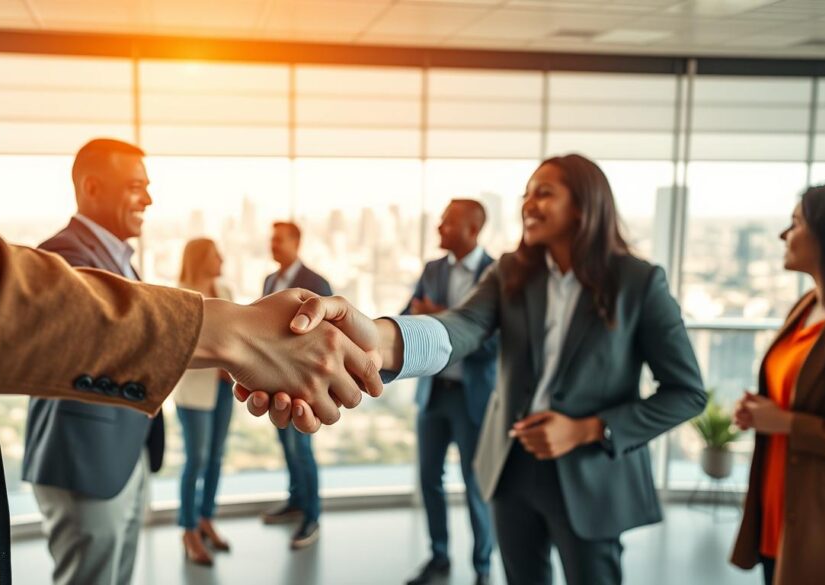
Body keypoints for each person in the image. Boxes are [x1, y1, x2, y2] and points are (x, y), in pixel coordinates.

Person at [0, 4, 379, 584]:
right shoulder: (50, 259)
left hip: (114, 464)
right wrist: (235, 333)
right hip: (83, 471)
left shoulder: (122, 259)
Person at [244, 154, 707, 585]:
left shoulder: (639, 283)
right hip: (513, 467)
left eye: (544, 192)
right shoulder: (511, 272)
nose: (530, 202)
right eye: (527, 192)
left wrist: (589, 430)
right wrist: (370, 343)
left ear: (585, 205)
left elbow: (686, 393)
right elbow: (460, 327)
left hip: (590, 473)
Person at [21, 138, 166, 585]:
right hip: (83, 462)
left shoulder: (118, 258)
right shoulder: (63, 258)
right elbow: (117, 339)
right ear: (93, 187)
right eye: (135, 186)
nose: (148, 198)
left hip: (123, 455)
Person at [730, 183, 825, 585]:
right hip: (778, 512)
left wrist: (786, 422)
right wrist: (760, 410)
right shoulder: (806, 307)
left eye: (796, 223)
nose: (785, 235)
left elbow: (794, 418)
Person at [403, 200, 496, 585]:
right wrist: (423, 313)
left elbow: (494, 344)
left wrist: (438, 313)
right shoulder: (432, 269)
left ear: (472, 230)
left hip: (472, 398)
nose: (439, 226)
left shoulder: (496, 275)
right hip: (434, 394)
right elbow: (407, 319)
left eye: (448, 221)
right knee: (429, 479)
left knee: (476, 486)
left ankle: (482, 566)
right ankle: (439, 556)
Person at [259, 221, 331, 550]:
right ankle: (296, 500)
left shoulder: (316, 283)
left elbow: (329, 335)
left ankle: (312, 515)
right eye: (272, 240)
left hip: (303, 382)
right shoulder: (270, 281)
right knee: (287, 447)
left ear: (296, 243)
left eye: (279, 240)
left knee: (302, 450)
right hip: (276, 382)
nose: (273, 245)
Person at [172, 238, 235, 566]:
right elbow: (180, 348)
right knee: (195, 460)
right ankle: (188, 529)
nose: (221, 258)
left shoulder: (224, 290)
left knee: (216, 458)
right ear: (200, 259)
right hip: (194, 393)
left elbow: (237, 337)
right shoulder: (180, 294)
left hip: (225, 388)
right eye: (215, 254)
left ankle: (206, 518)